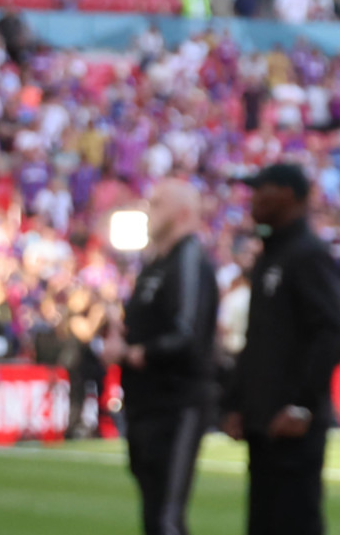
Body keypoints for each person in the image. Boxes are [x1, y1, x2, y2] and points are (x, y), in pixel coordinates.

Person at [221, 164, 340, 535]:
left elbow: (331, 333)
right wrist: (236, 401)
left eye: (262, 189)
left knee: (295, 521)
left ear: (289, 195)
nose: (253, 198)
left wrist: (303, 405)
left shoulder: (307, 254)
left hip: (293, 424)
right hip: (263, 421)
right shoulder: (270, 255)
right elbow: (257, 339)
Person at [122, 179, 219, 535]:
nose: (149, 209)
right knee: (153, 513)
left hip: (176, 401)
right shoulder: (155, 264)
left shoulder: (189, 260)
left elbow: (187, 336)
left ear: (182, 214)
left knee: (166, 516)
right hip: (145, 402)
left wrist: (136, 353)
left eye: (157, 203)